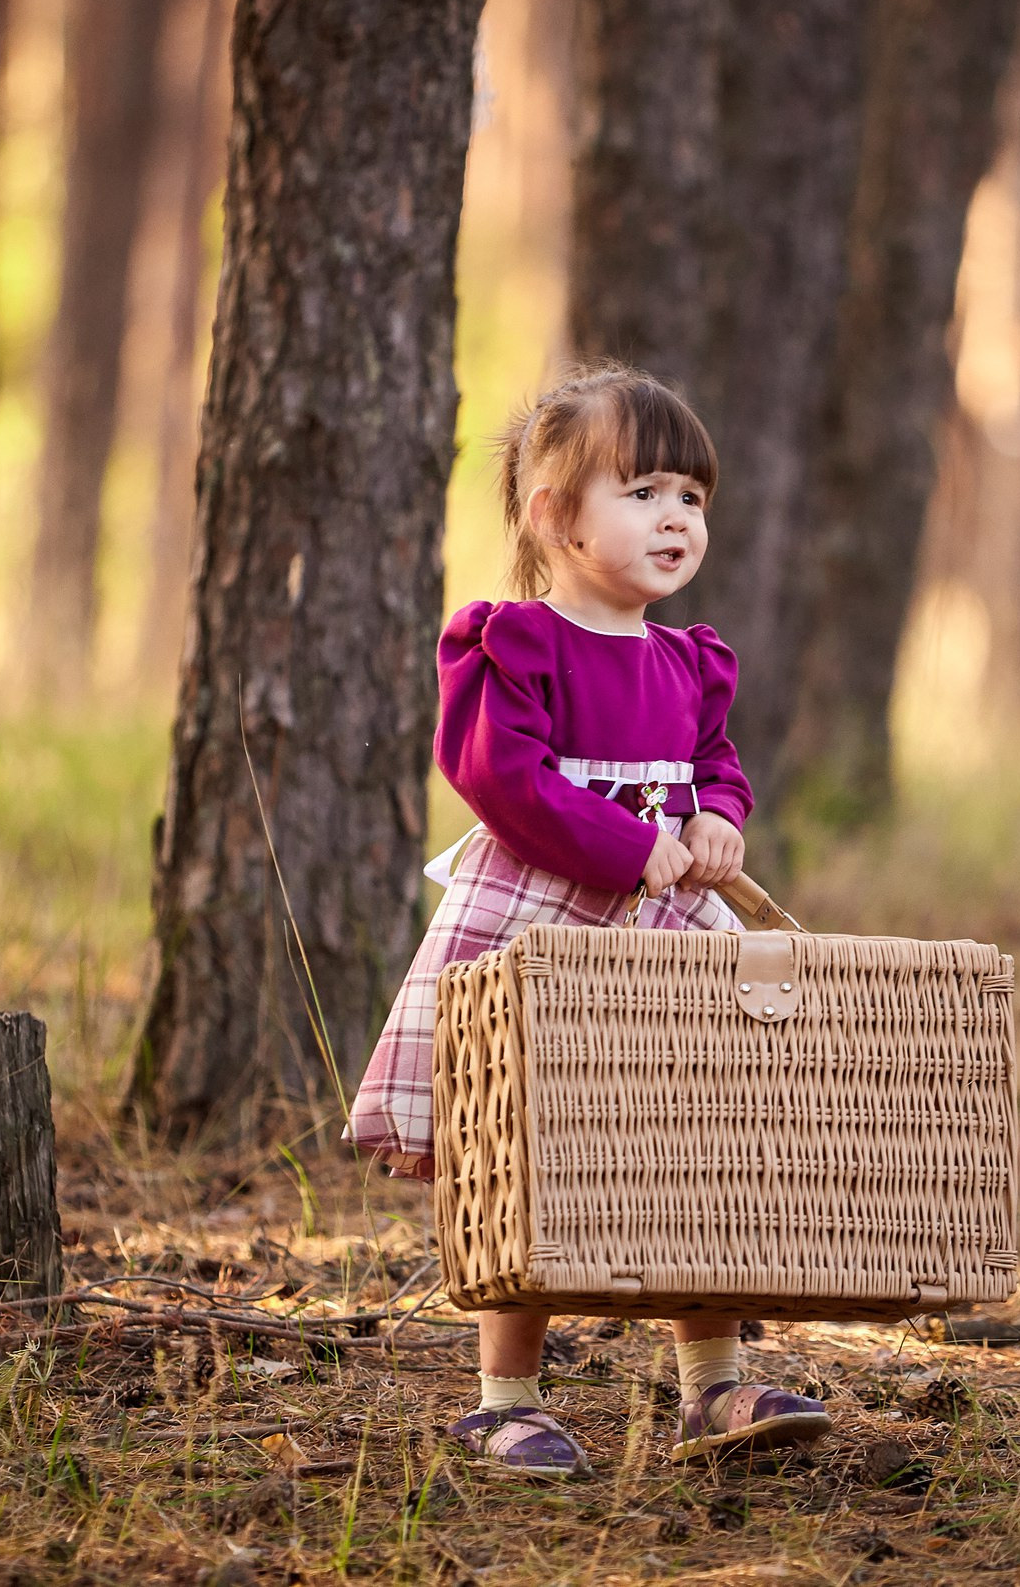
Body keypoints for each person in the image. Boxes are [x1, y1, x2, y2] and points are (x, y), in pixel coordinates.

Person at [346, 363, 832, 1480]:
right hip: (543, 917)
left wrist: (715, 821)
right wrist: (627, 844)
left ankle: (712, 1379)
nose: (675, 517)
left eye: (692, 496)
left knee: (701, 1127)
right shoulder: (511, 644)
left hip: (667, 923)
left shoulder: (686, 660)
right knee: (525, 1142)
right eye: (643, 490)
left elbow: (717, 763)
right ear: (554, 515)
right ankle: (504, 1394)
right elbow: (500, 778)